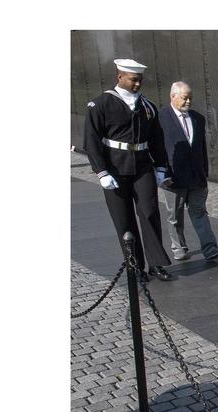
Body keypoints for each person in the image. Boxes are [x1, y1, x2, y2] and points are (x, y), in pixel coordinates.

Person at [83, 58, 173, 282]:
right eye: (133, 80)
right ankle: (135, 267)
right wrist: (101, 172)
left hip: (142, 166)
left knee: (150, 213)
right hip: (114, 168)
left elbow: (157, 139)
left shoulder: (147, 106)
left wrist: (161, 166)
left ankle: (156, 264)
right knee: (124, 220)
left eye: (140, 80)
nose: (137, 84)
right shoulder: (101, 104)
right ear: (120, 77)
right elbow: (91, 140)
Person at [158, 81, 218, 262]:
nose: (188, 101)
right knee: (175, 216)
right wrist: (163, 173)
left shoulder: (197, 118)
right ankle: (179, 249)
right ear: (173, 96)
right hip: (173, 178)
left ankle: (210, 248)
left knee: (199, 212)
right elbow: (157, 148)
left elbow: (201, 148)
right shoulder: (161, 117)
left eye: (190, 98)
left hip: (196, 178)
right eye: (184, 98)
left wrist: (204, 172)